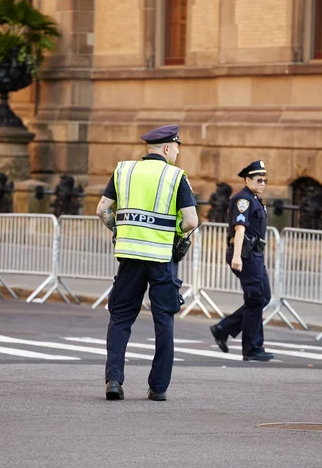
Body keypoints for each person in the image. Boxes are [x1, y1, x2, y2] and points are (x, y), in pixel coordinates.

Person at [96, 125, 198, 401]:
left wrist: (118, 230)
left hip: (129, 256)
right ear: (166, 149)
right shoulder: (175, 177)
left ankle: (114, 381)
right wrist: (176, 233)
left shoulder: (124, 171)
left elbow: (102, 209)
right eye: (176, 147)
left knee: (120, 318)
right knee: (163, 320)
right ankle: (158, 387)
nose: (177, 151)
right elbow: (191, 221)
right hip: (161, 259)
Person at [210, 161, 274, 362]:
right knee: (255, 298)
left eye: (264, 180)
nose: (262, 183)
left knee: (264, 297)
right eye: (258, 179)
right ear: (247, 180)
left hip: (254, 255)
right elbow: (240, 229)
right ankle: (252, 348)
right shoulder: (242, 200)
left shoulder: (255, 199)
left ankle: (225, 328)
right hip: (245, 254)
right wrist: (237, 256)